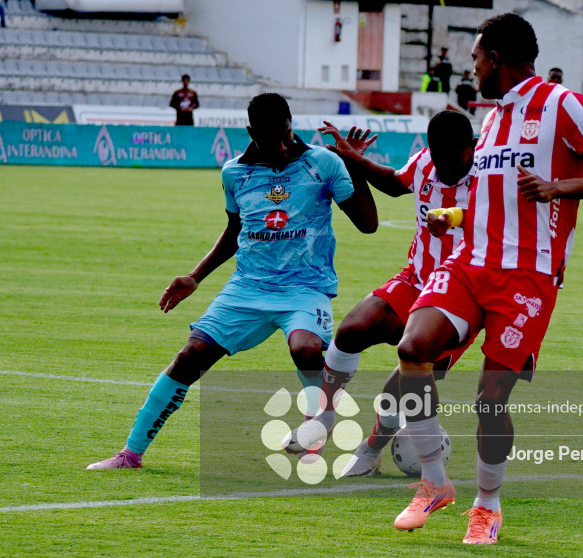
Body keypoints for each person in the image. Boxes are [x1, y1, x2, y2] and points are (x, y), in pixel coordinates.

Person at [391, 13, 583, 544]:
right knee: (413, 349)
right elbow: (490, 197)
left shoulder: (560, 104)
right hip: (469, 261)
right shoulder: (494, 118)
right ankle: (434, 482)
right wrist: (451, 218)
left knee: (489, 398)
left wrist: (558, 187)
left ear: (496, 59)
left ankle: (487, 504)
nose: (472, 66)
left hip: (528, 275)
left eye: (477, 57)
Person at [86, 93, 378, 470]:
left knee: (305, 349)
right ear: (250, 132)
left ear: (292, 125)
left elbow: (368, 225)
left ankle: (318, 420)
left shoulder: (323, 162)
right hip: (247, 288)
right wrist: (195, 276)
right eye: (271, 138)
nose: (281, 146)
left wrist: (354, 165)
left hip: (305, 287)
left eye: (286, 134)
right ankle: (130, 454)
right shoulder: (235, 172)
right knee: (189, 358)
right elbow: (235, 230)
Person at [284, 111, 477, 477]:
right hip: (416, 280)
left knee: (401, 390)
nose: (444, 167)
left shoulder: (490, 175)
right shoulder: (425, 162)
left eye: (452, 158)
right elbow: (393, 182)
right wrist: (354, 160)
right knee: (353, 329)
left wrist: (454, 216)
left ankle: (370, 451)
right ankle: (322, 418)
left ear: (471, 148)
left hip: (460, 298)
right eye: (437, 156)